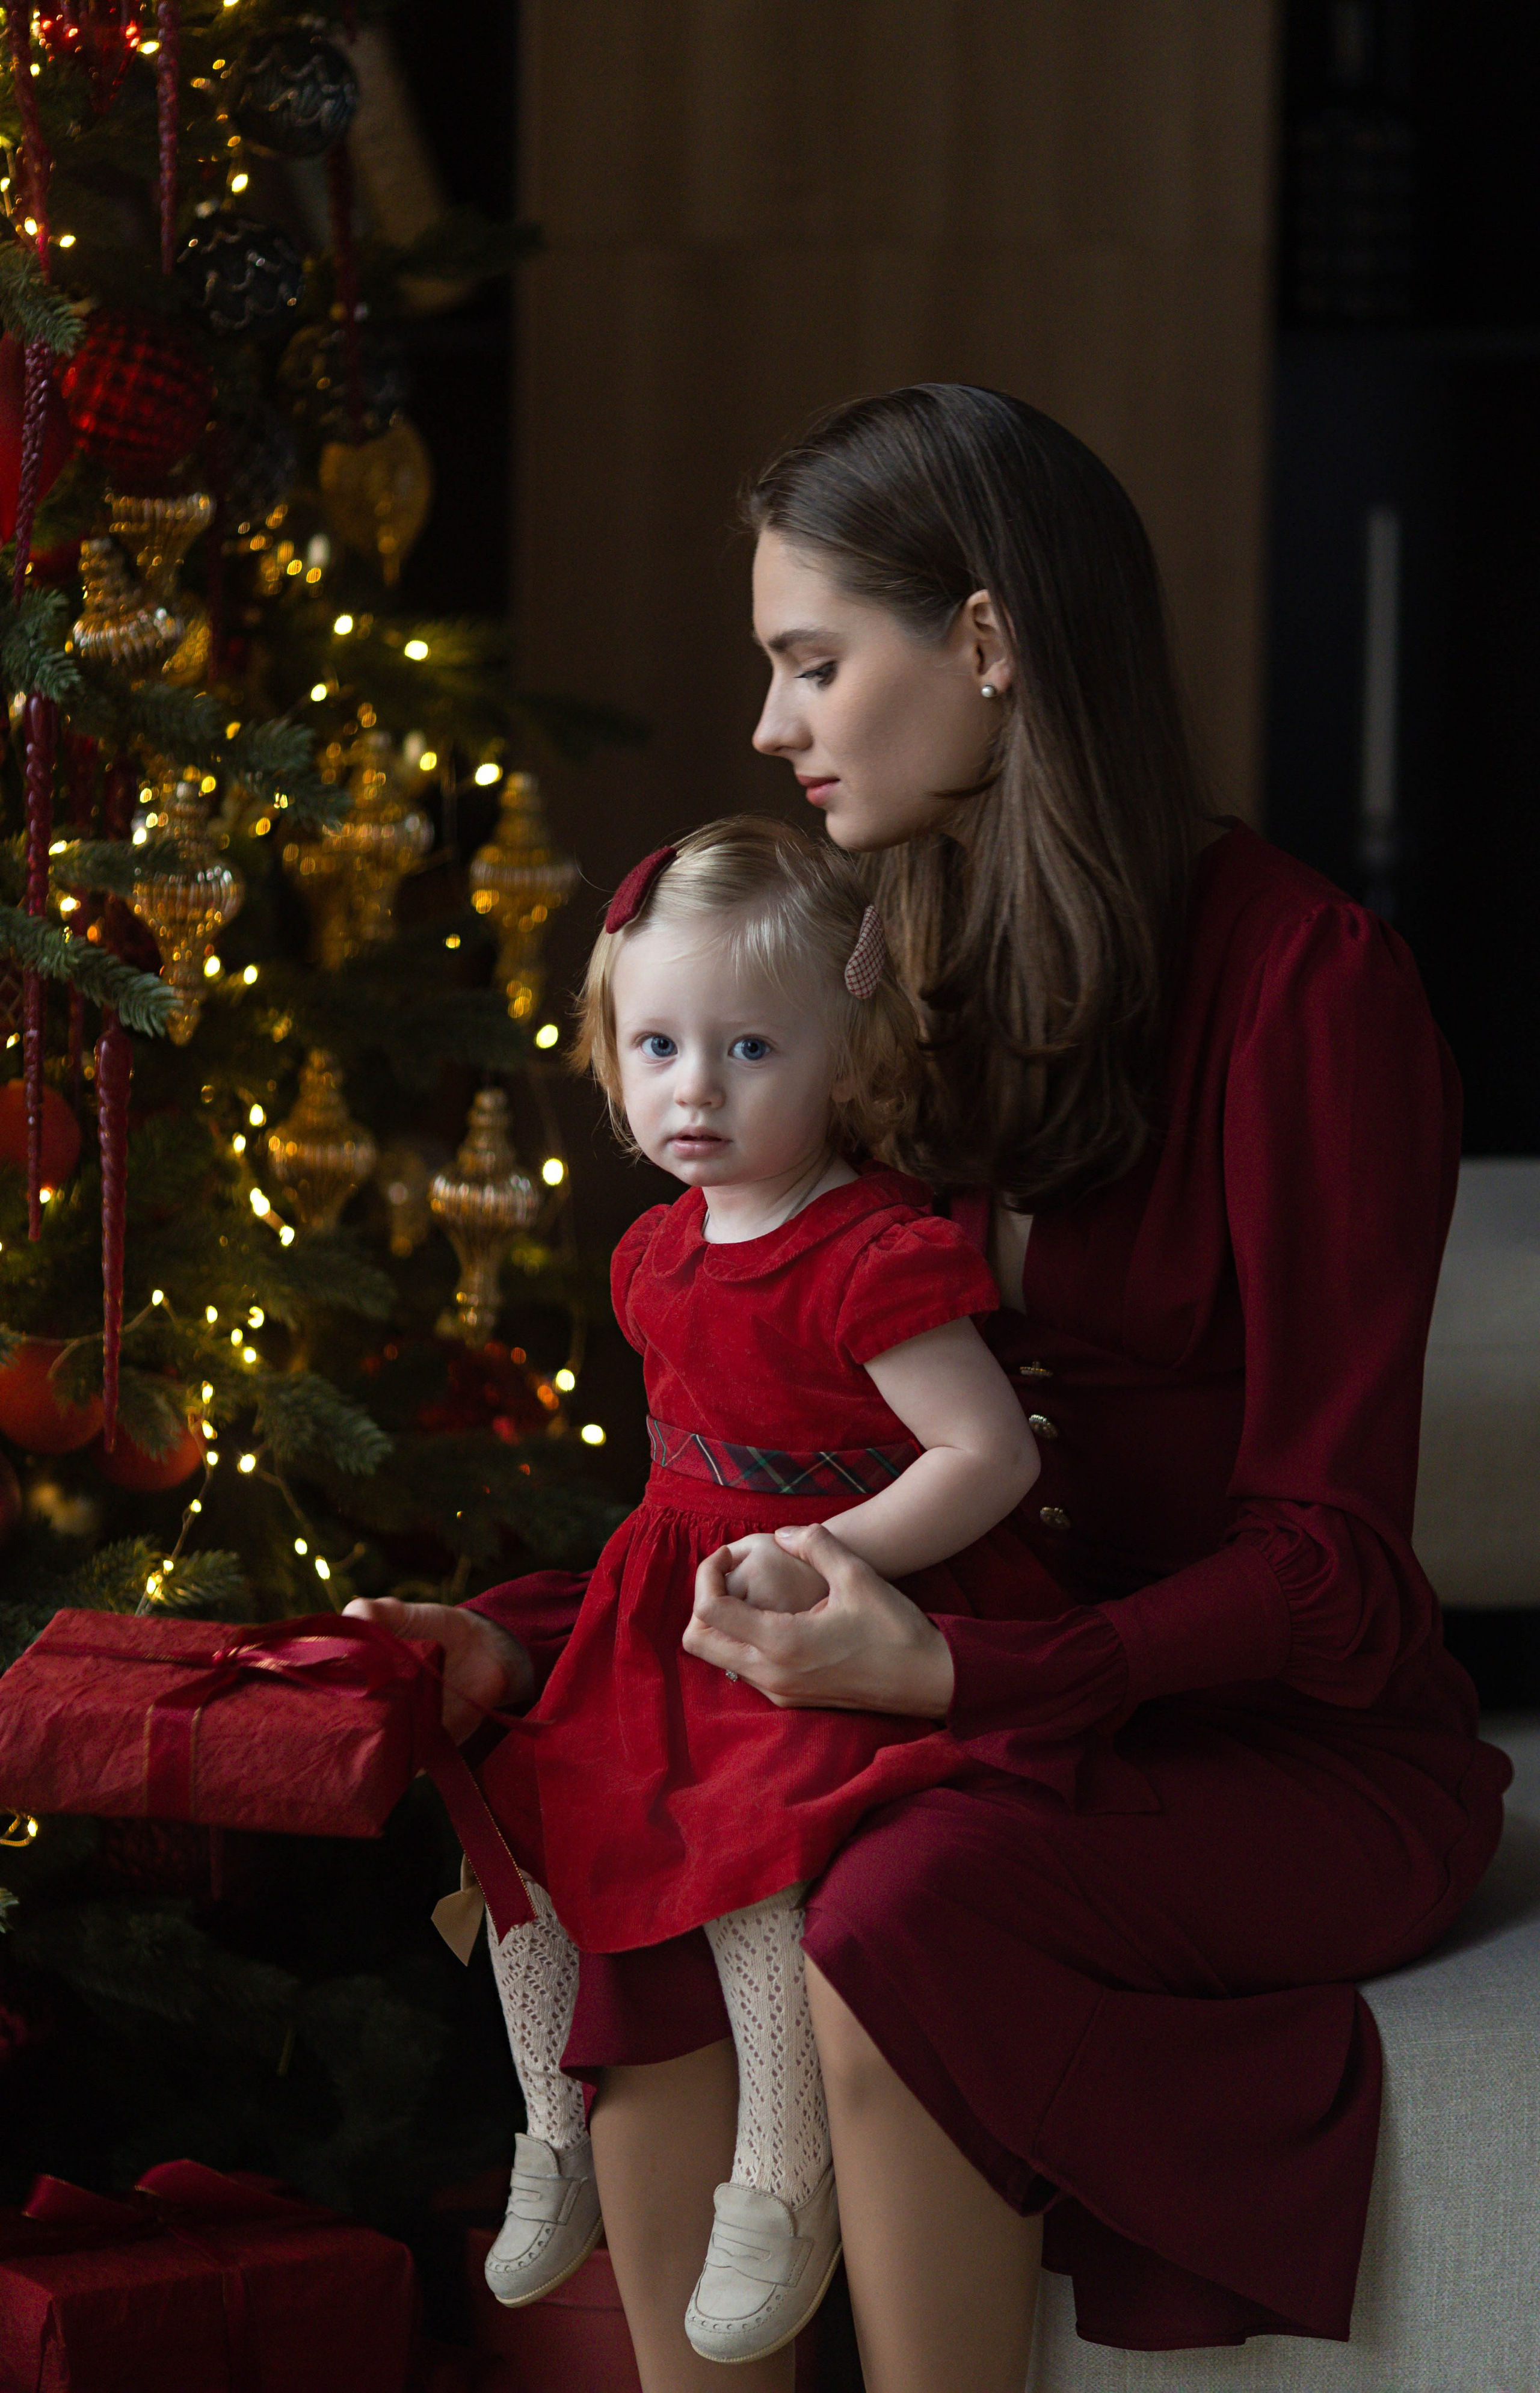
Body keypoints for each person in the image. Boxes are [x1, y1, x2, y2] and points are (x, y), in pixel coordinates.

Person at [352, 384, 1511, 2393]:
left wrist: (976, 1677)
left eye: (812, 661)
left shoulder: (1306, 984)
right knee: (642, 1829)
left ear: (984, 642)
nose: (769, 724)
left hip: (1269, 1745)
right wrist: (524, 1638)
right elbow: (783, 1448)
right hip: (948, 1678)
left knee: (895, 1901)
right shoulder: (868, 973)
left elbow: (1335, 1572)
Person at [454, 816, 1047, 2364]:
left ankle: (783, 2177)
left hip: (822, 1615)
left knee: (743, 1853)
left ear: (846, 1061)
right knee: (527, 1816)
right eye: (656, 1047)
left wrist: (830, 1557)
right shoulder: (655, 1252)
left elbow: (985, 1455)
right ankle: (553, 2132)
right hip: (672, 1610)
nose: (694, 1090)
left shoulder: (868, 1254)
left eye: (748, 1049)